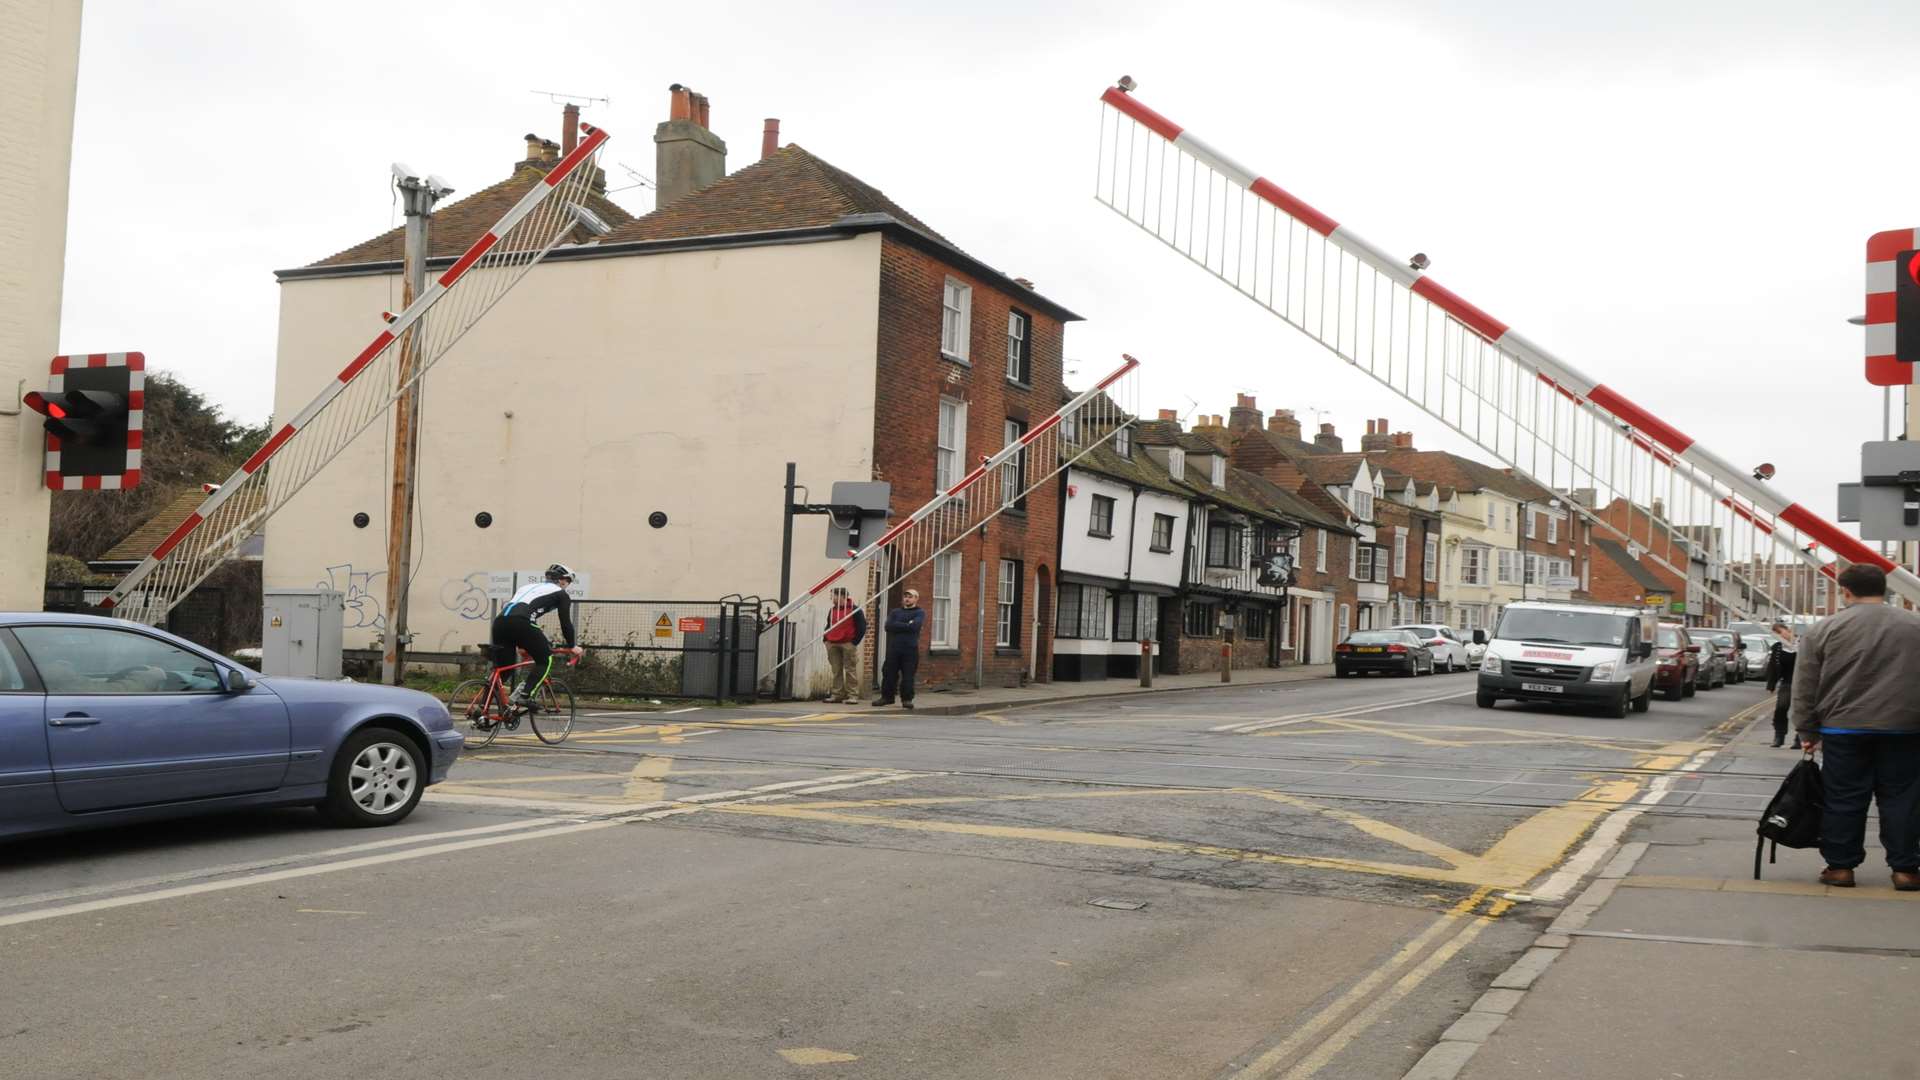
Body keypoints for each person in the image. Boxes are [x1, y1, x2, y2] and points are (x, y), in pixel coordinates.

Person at [1791, 565, 1920, 891]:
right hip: (1905, 727)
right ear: (1885, 588)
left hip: (1843, 728)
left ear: (1845, 591)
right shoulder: (1914, 626)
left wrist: (1807, 731)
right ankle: (1905, 869)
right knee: (1903, 799)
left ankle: (1841, 867)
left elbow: (1805, 684)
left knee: (1844, 798)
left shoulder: (1825, 629)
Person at [491, 563, 584, 718]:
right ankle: (525, 695)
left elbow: (518, 612)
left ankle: (483, 707)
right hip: (521, 622)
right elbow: (565, 622)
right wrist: (572, 645)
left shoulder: (526, 587)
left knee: (505, 668)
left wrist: (521, 644)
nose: (567, 585)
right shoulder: (561, 594)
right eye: (568, 582)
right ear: (562, 580)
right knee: (545, 659)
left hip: (500, 623)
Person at [873, 588, 925, 710]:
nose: (907, 599)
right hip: (894, 648)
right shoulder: (895, 612)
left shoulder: (919, 612)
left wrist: (899, 625)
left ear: (916, 599)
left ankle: (907, 699)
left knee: (908, 675)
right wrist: (907, 624)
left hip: (910, 649)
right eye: (905, 596)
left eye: (910, 596)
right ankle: (887, 697)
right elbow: (888, 626)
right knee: (888, 673)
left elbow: (915, 626)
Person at [822, 586, 868, 704]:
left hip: (847, 643)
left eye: (834, 595)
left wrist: (854, 642)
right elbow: (829, 624)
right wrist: (825, 639)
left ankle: (852, 695)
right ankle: (837, 694)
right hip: (832, 642)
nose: (831, 598)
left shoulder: (855, 610)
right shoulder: (832, 610)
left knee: (850, 669)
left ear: (842, 596)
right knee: (836, 670)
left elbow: (862, 627)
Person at [1764, 621, 1798, 748]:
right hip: (1787, 682)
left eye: (1779, 632)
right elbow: (1773, 667)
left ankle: (1799, 738)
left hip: (1803, 682)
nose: (1778, 635)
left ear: (1788, 630)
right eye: (1775, 634)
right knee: (1781, 707)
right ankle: (1779, 736)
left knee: (1800, 710)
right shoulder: (1778, 647)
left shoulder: (1802, 644)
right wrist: (1771, 685)